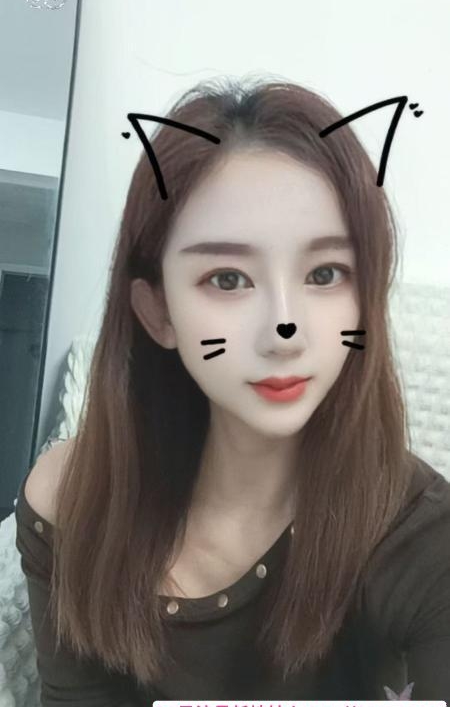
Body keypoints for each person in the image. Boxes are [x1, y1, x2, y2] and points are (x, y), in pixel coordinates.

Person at [15, 75, 450, 705]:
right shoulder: (73, 501)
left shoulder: (423, 541)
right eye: (227, 279)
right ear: (157, 311)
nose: (284, 332)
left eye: (325, 273)